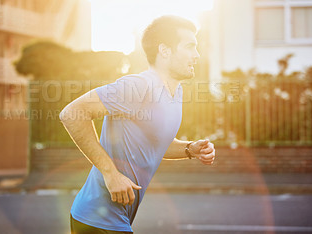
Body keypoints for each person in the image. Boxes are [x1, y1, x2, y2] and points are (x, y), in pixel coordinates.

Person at [60, 15, 216, 234]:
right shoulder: (138, 86)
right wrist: (110, 174)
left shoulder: (175, 92)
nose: (197, 55)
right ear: (165, 51)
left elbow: (156, 144)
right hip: (96, 218)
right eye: (190, 47)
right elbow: (72, 113)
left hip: (118, 218)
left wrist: (190, 149)